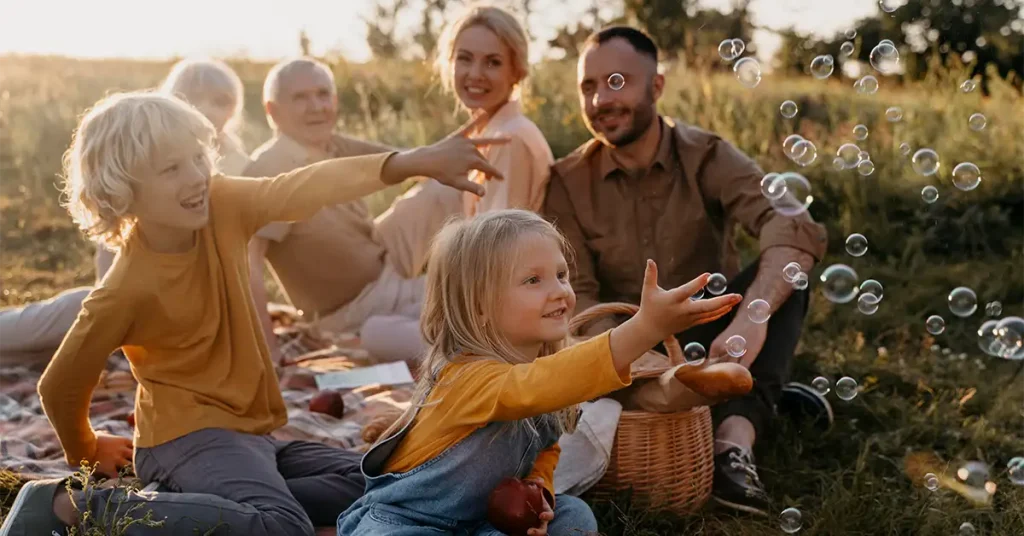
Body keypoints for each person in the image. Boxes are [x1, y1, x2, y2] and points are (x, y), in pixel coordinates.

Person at [0, 90, 505, 535]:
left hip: (253, 436)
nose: (196, 176)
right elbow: (60, 384)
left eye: (196, 157)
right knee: (282, 528)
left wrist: (410, 161)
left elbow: (297, 188)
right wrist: (85, 449)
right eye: (171, 168)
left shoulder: (221, 203)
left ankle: (221, 507)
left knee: (394, 483)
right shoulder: (124, 290)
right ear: (122, 188)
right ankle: (78, 507)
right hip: (183, 441)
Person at [542, 26, 832, 516]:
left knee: (784, 274)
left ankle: (731, 444)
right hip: (626, 346)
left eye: (616, 82)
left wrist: (752, 318)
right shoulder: (566, 183)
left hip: (716, 333)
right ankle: (758, 398)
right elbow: (580, 296)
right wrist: (635, 354)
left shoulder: (707, 155)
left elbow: (790, 224)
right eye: (588, 87)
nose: (600, 99)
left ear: (656, 87)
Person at [336, 209, 743, 535]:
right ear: (479, 307)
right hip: (405, 522)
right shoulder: (466, 377)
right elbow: (536, 386)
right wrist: (645, 329)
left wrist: (539, 495)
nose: (560, 292)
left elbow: (546, 449)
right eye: (533, 280)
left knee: (574, 515)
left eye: (562, 275)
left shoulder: (542, 373)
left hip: (484, 523)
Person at [0, 58, 251, 363]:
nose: (208, 109)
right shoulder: (143, 153)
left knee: (54, 350)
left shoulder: (237, 162)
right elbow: (116, 243)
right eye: (195, 98)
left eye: (221, 102)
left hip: (188, 298)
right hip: (130, 294)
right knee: (75, 314)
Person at [245, 57, 462, 364]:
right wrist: (270, 350)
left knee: (444, 189)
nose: (316, 106)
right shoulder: (272, 169)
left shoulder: (331, 144)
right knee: (464, 306)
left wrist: (463, 145)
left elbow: (407, 160)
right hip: (353, 309)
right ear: (273, 111)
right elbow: (249, 261)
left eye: (322, 95)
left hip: (383, 259)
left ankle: (492, 260)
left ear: (334, 100)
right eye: (300, 98)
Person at [434, 4, 553, 217]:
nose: (475, 74)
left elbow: (498, 243)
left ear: (516, 73)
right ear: (450, 62)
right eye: (465, 58)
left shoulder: (510, 139)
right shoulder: (488, 134)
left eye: (492, 62)